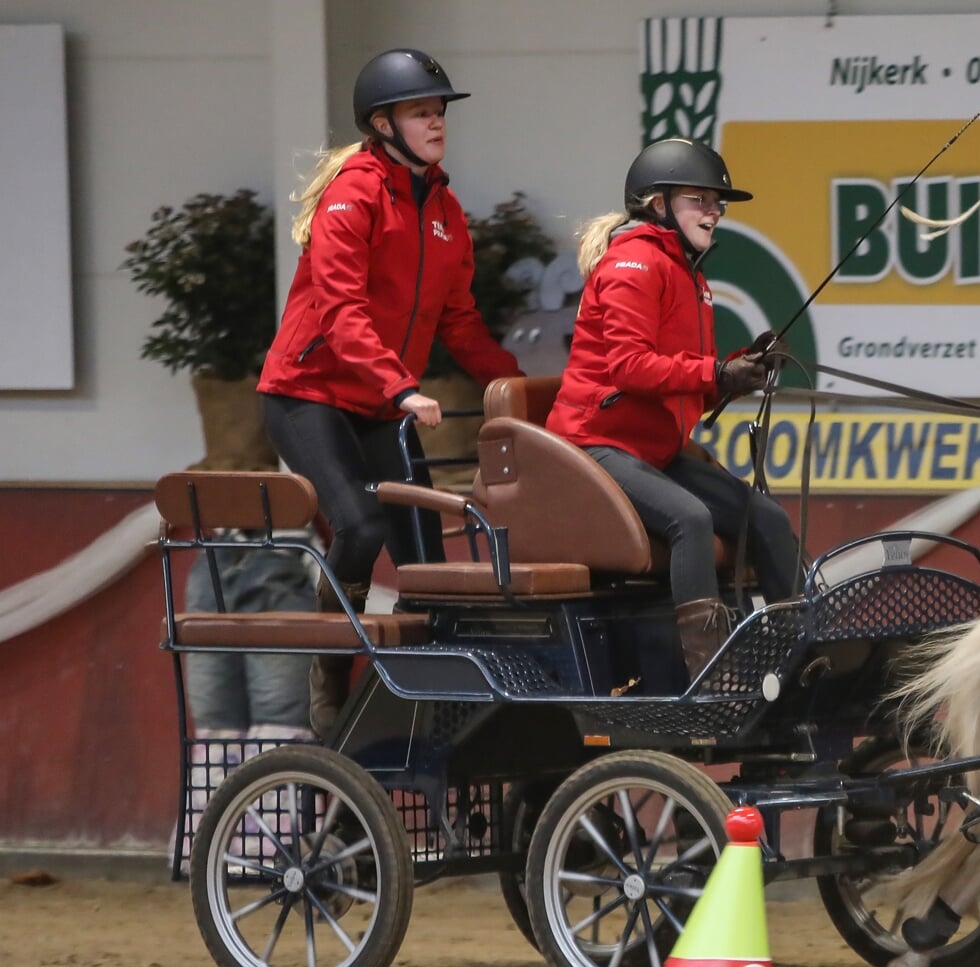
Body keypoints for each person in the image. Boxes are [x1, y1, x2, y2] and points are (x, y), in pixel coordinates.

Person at [256, 48, 525, 733]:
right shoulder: (353, 192)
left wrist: (521, 389)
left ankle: (433, 703)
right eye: (420, 112)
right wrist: (403, 388)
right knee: (362, 523)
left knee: (423, 553)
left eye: (439, 112)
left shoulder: (443, 205)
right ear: (382, 123)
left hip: (377, 401)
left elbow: (460, 321)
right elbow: (340, 311)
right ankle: (328, 664)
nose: (437, 122)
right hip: (306, 392)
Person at [546, 137, 801, 677]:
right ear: (658, 205)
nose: (713, 212)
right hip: (596, 446)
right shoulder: (635, 264)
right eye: (698, 200)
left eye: (716, 203)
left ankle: (797, 656)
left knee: (769, 519)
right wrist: (715, 372)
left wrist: (740, 369)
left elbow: (682, 375)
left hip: (653, 450)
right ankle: (707, 673)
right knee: (691, 518)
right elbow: (630, 368)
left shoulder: (689, 275)